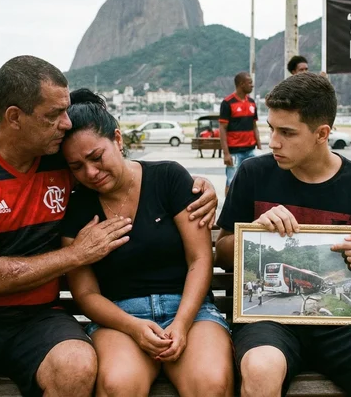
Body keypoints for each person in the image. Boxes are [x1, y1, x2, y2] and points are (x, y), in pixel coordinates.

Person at [0, 56, 219, 397]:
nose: (66, 123)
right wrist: (77, 254)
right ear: (15, 118)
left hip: (37, 317)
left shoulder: (61, 160)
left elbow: (118, 169)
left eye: (65, 111)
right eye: (54, 115)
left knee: (75, 366)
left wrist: (199, 187)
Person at [215, 72, 351, 397]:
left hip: (341, 324)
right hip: (269, 324)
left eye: (287, 132)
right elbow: (222, 252)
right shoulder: (253, 174)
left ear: (322, 133)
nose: (273, 142)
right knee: (261, 367)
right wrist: (254, 233)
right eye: (271, 128)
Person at [59, 89, 233, 397]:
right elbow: (85, 293)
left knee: (211, 383)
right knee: (118, 385)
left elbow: (200, 259)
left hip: (189, 310)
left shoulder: (168, 178)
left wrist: (181, 324)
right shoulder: (78, 207)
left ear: (117, 139)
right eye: (76, 166)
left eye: (96, 157)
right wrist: (133, 326)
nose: (91, 172)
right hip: (119, 317)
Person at [219, 72, 262, 196]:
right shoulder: (227, 103)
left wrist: (259, 146)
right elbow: (222, 129)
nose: (252, 85)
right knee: (231, 181)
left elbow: (254, 126)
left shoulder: (252, 102)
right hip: (234, 152)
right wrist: (226, 154)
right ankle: (229, 206)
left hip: (251, 150)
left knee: (253, 181)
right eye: (250, 83)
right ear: (241, 84)